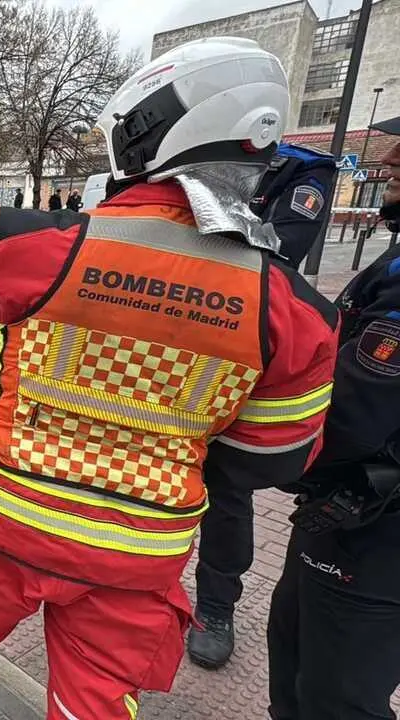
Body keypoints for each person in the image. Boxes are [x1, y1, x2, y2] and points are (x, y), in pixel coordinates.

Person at [0, 36, 337, 718]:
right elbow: (274, 458)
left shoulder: (42, 245)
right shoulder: (296, 310)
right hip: (134, 555)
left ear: (150, 130)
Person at [266, 113, 400, 720]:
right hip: (347, 517)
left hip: (372, 531)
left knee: (334, 696)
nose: (391, 158)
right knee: (295, 654)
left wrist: (261, 447)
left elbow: (352, 416)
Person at [187, 140, 338, 670]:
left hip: (240, 333)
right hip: (179, 337)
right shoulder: (191, 154)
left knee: (226, 489)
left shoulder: (301, 170)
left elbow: (281, 251)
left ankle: (215, 606)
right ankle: (129, 584)